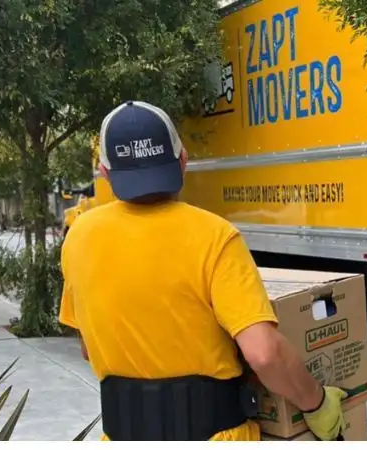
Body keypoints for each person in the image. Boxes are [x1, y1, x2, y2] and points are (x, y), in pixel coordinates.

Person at [59, 100, 346, 441]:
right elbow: (264, 353)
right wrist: (317, 403)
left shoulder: (78, 237)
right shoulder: (214, 236)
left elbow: (88, 348)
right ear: (182, 160)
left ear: (105, 172)